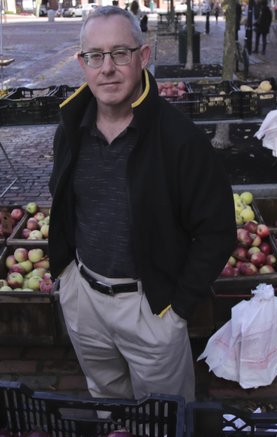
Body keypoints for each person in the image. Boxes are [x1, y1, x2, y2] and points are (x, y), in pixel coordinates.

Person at [48, 6, 236, 403]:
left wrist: (178, 310)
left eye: (120, 53)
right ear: (82, 63)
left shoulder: (180, 140)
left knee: (163, 425)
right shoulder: (70, 130)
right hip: (85, 299)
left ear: (143, 57)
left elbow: (217, 231)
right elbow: (65, 205)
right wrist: (66, 280)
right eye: (95, 56)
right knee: (107, 404)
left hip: (150, 307)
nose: (107, 68)